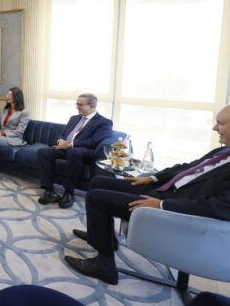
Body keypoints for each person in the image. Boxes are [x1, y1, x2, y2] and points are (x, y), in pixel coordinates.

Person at [64, 104, 230, 285]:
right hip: (161, 189)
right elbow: (186, 167)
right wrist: (151, 178)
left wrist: (161, 205)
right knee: (97, 182)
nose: (215, 128)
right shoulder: (223, 151)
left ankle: (105, 266)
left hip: (171, 206)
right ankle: (106, 239)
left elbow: (222, 207)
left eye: (221, 123)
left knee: (96, 198)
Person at [37, 93, 112, 209]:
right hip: (66, 148)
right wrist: (61, 141)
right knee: (43, 152)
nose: (77, 107)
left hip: (85, 151)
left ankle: (69, 192)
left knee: (74, 152)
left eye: (80, 105)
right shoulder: (74, 118)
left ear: (91, 105)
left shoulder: (104, 122)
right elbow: (63, 133)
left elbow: (94, 141)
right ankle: (49, 190)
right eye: (77, 104)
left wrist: (72, 144)